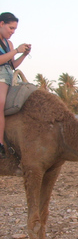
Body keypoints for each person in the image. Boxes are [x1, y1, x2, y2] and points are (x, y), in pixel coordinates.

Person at [0, 12, 31, 159]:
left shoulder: (9, 44)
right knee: (1, 103)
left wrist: (23, 54)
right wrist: (16, 50)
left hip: (8, 77)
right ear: (1, 24)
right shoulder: (11, 46)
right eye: (10, 28)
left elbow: (12, 64)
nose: (12, 32)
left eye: (14, 30)